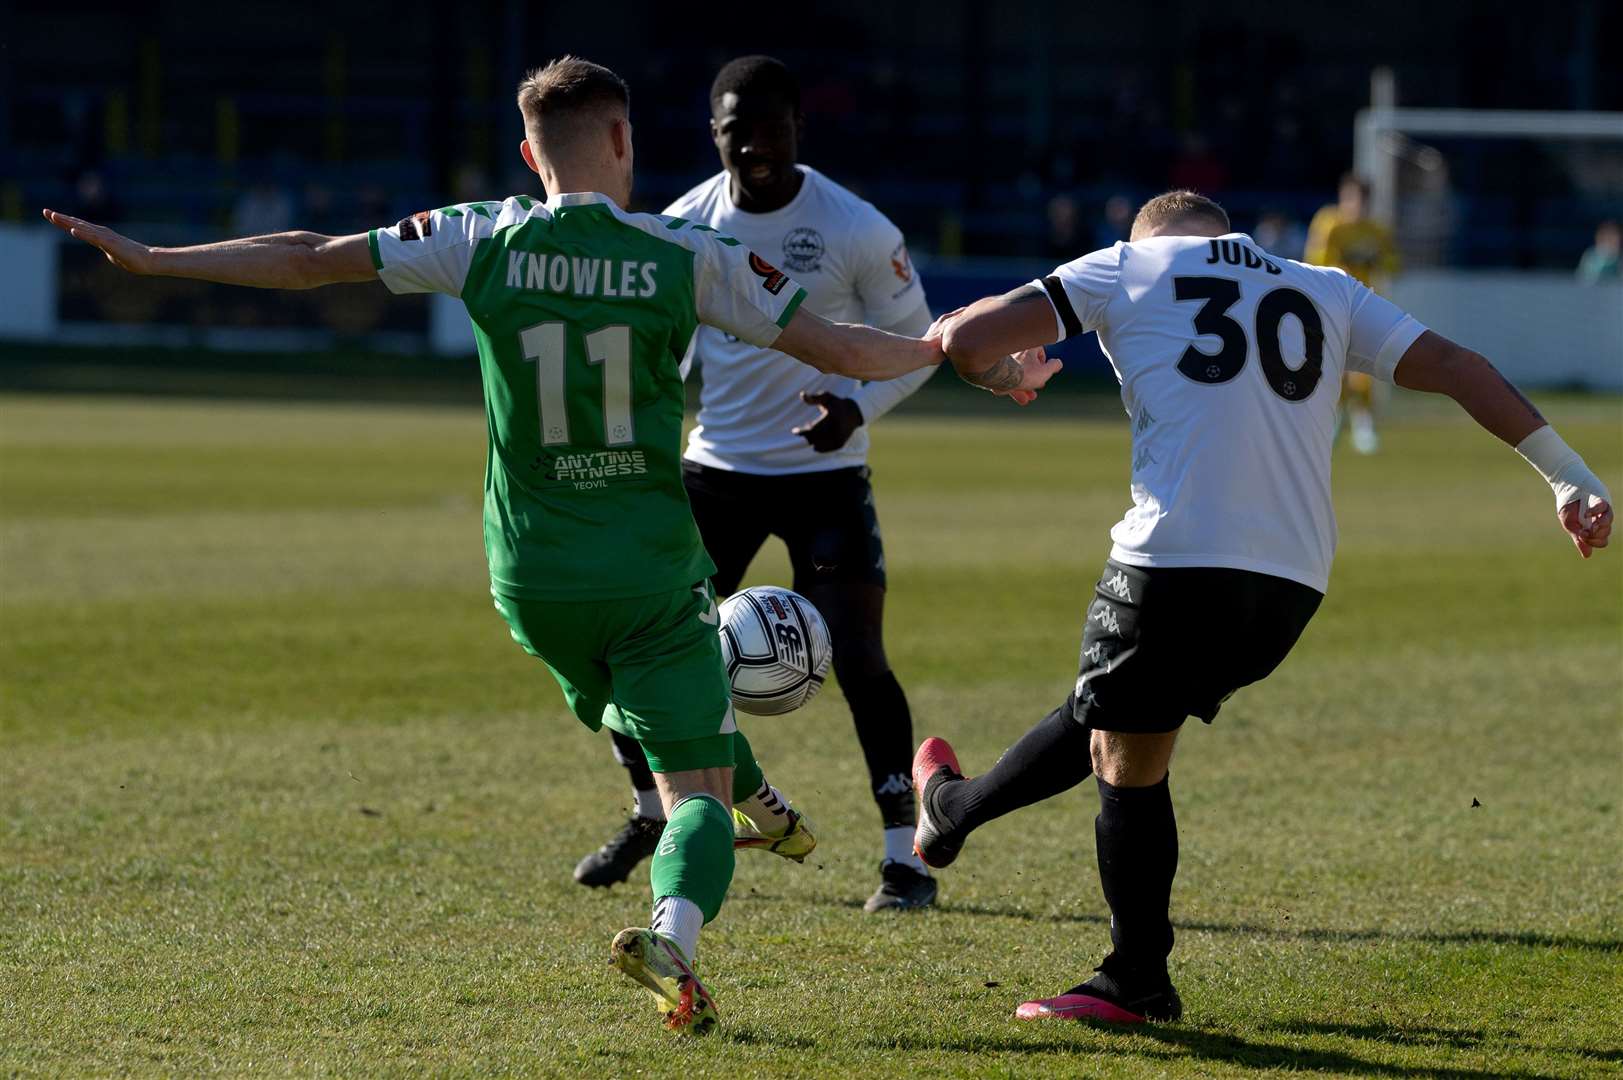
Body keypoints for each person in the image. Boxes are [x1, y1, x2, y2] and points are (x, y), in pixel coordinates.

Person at [41, 56, 1042, 1036]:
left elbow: (308, 256)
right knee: (687, 790)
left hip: (529, 582)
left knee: (649, 717)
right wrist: (956, 352)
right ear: (622, 141)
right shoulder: (682, 254)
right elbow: (845, 347)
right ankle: (677, 932)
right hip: (649, 570)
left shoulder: (478, 237)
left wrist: (155, 259)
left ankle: (764, 803)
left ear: (529, 152)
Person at [910, 190, 1612, 1025]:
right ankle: (956, 815)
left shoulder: (1127, 265)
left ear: (1148, 232)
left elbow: (964, 340)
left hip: (1171, 558)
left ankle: (1130, 974)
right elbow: (1458, 367)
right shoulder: (1322, 284)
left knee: (1123, 750)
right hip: (1288, 583)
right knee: (1122, 725)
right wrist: (1569, 475)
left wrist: (1003, 371)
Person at [572, 55, 942, 913]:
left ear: (797, 128)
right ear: (715, 132)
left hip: (826, 477)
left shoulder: (855, 227)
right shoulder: (684, 223)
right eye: (737, 127)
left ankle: (904, 858)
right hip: (717, 476)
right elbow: (653, 345)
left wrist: (856, 409)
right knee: (641, 653)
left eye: (770, 126)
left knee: (858, 658)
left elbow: (917, 341)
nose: (755, 144)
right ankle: (647, 813)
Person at [1305, 174, 1400, 454]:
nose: (1356, 206)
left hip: (1366, 305)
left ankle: (1363, 425)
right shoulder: (1330, 223)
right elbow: (1314, 260)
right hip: (1332, 303)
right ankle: (1332, 424)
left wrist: (1377, 260)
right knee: (1332, 367)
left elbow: (1394, 264)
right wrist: (1345, 258)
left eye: (1362, 200)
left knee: (1365, 371)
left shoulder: (1377, 230)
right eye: (1352, 198)